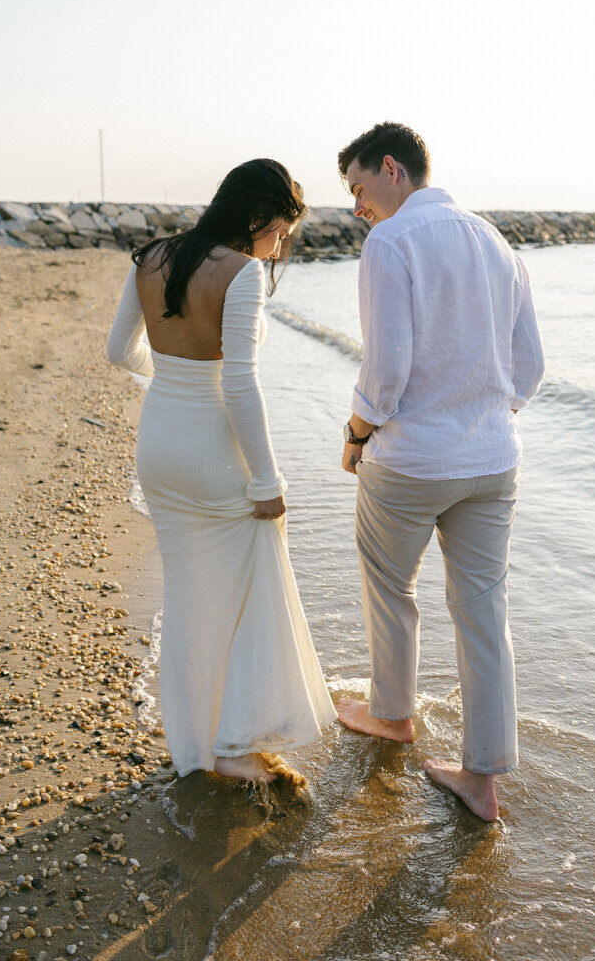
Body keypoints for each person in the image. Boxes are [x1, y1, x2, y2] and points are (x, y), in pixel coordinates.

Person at [335, 123, 545, 821]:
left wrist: (357, 432)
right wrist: (485, 412)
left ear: (392, 169)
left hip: (411, 461)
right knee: (484, 612)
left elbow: (386, 369)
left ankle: (393, 715)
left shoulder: (391, 242)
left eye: (359, 188)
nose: (358, 206)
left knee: (391, 587)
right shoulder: (496, 241)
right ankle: (482, 780)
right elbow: (531, 368)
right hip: (492, 460)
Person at [107, 159, 336, 788]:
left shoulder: (150, 256)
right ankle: (234, 745)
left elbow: (117, 351)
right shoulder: (243, 274)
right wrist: (268, 481)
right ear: (258, 217)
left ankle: (195, 747)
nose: (281, 245)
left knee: (188, 596)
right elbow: (239, 382)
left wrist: (175, 386)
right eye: (282, 232)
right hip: (211, 451)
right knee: (249, 591)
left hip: (158, 442)